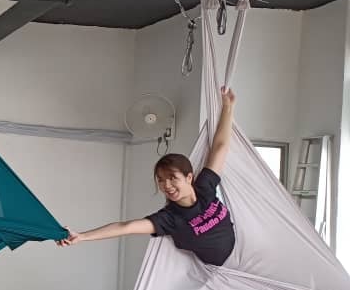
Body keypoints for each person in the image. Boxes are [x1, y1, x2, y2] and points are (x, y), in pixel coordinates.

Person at [58, 87, 237, 267]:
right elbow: (125, 227)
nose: (166, 185)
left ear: (188, 177)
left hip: (241, 252)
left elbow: (220, 147)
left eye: (172, 177)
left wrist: (228, 107)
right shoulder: (170, 218)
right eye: (160, 180)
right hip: (218, 272)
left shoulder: (205, 187)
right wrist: (82, 237)